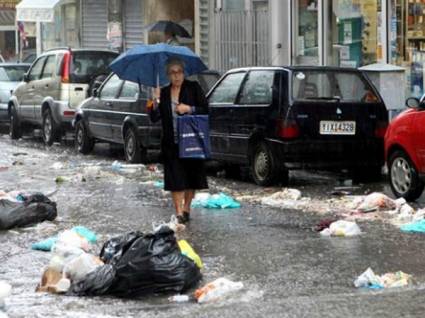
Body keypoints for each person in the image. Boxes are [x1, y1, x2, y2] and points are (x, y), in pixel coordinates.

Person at [149, 58, 208, 224]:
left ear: (184, 73)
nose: (177, 76)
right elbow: (154, 117)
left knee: (191, 177)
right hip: (171, 143)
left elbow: (206, 109)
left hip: (191, 141)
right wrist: (155, 100)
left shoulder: (193, 88)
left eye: (179, 72)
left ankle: (187, 207)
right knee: (175, 179)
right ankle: (179, 213)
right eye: (173, 72)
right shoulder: (165, 92)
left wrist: (189, 109)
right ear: (168, 75)